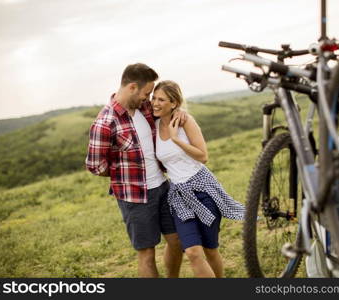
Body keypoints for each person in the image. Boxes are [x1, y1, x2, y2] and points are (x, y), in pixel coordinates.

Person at [85, 63, 184, 278]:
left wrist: (180, 111)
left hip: (163, 187)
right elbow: (95, 166)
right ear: (132, 87)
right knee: (147, 254)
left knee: (177, 241)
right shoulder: (104, 123)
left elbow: (166, 112)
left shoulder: (145, 108)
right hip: (134, 197)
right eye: (147, 93)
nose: (148, 98)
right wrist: (122, 172)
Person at [151, 80, 245, 278]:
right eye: (154, 98)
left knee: (210, 250)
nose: (155, 103)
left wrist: (176, 139)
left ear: (174, 103)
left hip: (202, 189)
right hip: (178, 195)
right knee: (193, 252)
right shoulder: (154, 124)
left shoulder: (186, 122)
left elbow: (203, 156)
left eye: (161, 99)